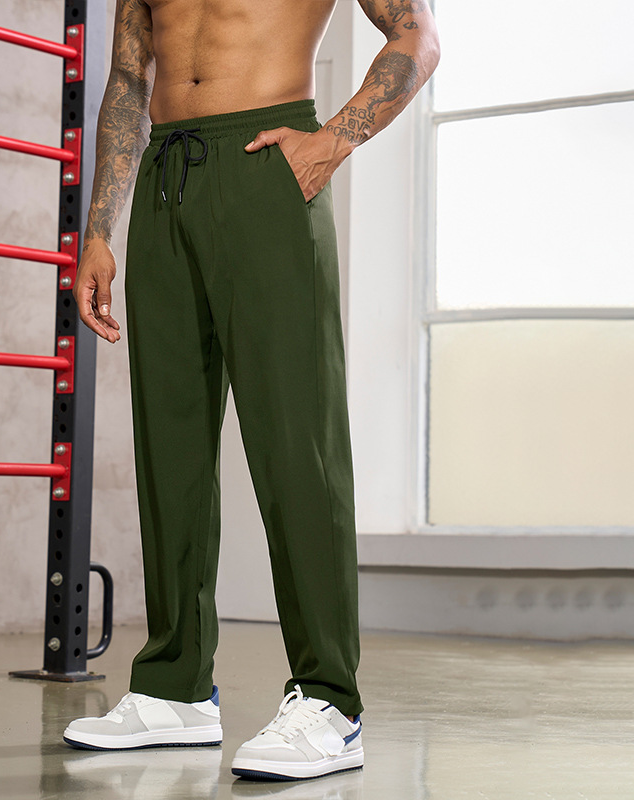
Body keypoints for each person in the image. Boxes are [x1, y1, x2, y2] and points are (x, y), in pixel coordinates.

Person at [63, 0, 439, 782]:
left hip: (267, 163)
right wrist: (98, 228)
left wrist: (334, 140)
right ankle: (174, 688)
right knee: (169, 444)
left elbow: (418, 35)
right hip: (165, 177)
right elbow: (129, 77)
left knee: (297, 443)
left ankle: (330, 700)